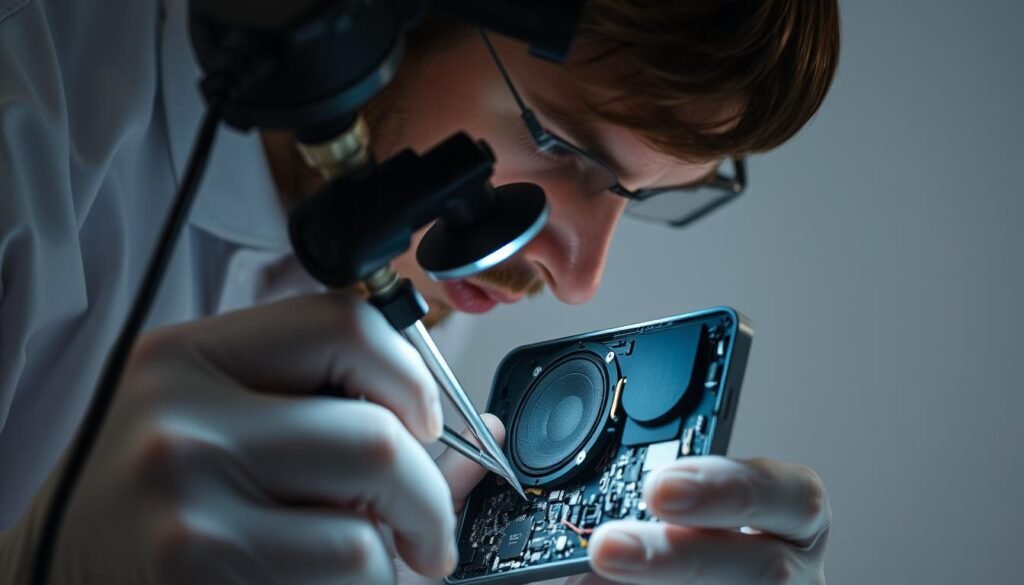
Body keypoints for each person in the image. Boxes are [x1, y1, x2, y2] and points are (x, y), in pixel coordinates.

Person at [0, 0, 840, 583]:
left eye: (646, 194)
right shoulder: (27, 133)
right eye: (557, 143)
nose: (579, 281)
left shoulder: (427, 274)